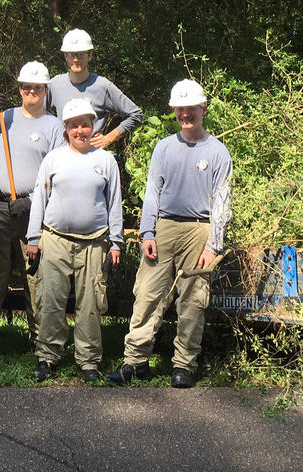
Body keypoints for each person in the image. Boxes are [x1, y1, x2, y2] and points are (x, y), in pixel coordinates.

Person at [106, 79, 232, 388]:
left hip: (200, 231)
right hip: (164, 227)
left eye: (192, 109)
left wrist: (214, 246)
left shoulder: (217, 152)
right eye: (181, 109)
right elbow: (152, 193)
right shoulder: (164, 148)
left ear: (203, 109)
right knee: (148, 294)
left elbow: (221, 202)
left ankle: (184, 365)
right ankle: (135, 361)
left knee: (193, 299)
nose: (186, 114)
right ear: (173, 110)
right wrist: (147, 233)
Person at [26, 98, 123, 383]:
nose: (80, 130)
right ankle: (47, 357)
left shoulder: (105, 161)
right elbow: (39, 198)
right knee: (51, 300)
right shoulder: (54, 158)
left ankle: (89, 361)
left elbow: (114, 203)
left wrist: (116, 242)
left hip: (94, 242)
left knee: (90, 303)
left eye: (85, 124)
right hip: (54, 238)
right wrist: (34, 238)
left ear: (93, 127)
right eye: (74, 125)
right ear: (66, 128)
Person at [0, 61, 64, 351]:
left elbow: (58, 172)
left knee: (36, 278)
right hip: (1, 209)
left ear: (45, 90)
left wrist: (34, 200)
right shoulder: (6, 117)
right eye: (26, 87)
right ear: (19, 89)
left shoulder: (54, 126)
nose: (31, 91)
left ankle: (40, 342)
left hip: (35, 211)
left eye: (37, 87)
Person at [47, 28, 143, 150]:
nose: (76, 59)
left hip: (93, 157)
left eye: (81, 54)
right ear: (65, 56)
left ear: (90, 55)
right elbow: (38, 116)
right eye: (71, 54)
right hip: (63, 158)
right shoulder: (54, 85)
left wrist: (108, 138)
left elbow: (135, 114)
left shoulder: (102, 86)